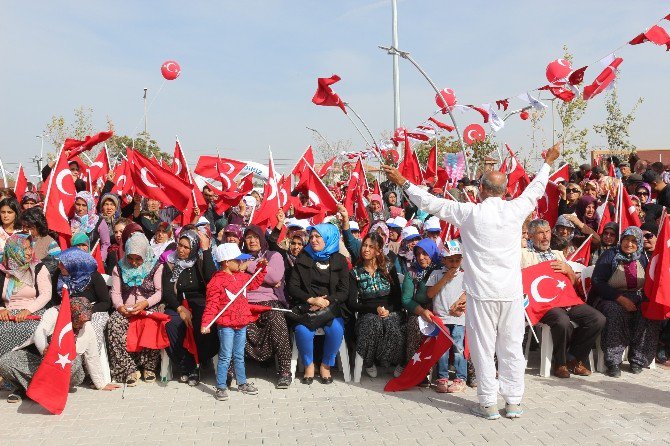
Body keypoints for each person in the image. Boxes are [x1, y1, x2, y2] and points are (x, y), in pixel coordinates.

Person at [382, 141, 561, 420]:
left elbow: (429, 202)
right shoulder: (516, 209)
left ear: (482, 189)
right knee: (511, 348)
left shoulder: (469, 212)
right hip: (510, 295)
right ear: (504, 191)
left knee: (484, 348)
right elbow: (536, 188)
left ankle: (488, 403)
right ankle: (513, 402)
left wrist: (403, 182)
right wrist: (548, 162)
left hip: (481, 296)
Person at [521, 219, 605, 378]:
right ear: (531, 236)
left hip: (565, 299)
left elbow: (572, 283)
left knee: (597, 319)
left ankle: (574, 358)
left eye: (547, 232)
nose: (545, 236)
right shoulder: (524, 254)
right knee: (562, 321)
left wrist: (568, 270)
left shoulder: (558, 254)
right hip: (543, 304)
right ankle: (560, 363)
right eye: (540, 233)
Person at [0, 297, 119, 403]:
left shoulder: (87, 326)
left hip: (66, 370)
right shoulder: (54, 313)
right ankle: (34, 389)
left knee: (74, 360)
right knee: (5, 361)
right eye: (80, 321)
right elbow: (39, 333)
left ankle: (35, 390)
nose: (82, 324)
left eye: (85, 321)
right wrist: (45, 350)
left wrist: (101, 384)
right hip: (43, 362)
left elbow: (92, 356)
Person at [201, 243, 267, 401]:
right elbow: (212, 305)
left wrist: (261, 268)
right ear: (225, 262)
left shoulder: (242, 277)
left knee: (239, 355)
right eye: (237, 260)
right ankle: (221, 386)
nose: (240, 263)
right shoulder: (216, 282)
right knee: (225, 356)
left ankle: (242, 382)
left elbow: (255, 282)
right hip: (226, 325)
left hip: (242, 322)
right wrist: (206, 323)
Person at [591, 227, 660, 377]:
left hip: (636, 296)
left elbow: (648, 282)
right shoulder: (609, 255)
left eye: (634, 241)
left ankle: (638, 359)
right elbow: (598, 282)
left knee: (648, 312)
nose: (629, 244)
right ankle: (613, 361)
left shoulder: (642, 257)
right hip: (610, 297)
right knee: (615, 312)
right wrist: (620, 299)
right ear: (621, 240)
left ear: (640, 243)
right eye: (626, 239)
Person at [287, 223, 349, 385]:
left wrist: (327, 301)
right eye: (312, 237)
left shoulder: (340, 260)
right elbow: (292, 287)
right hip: (308, 306)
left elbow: (344, 291)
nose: (313, 240)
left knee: (336, 329)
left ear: (328, 238)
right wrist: (311, 300)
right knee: (302, 331)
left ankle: (325, 365)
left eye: (317, 237)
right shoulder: (303, 257)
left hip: (331, 307)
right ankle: (309, 366)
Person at [107, 232, 164, 385]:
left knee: (152, 323)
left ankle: (149, 367)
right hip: (127, 308)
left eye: (138, 258)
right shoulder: (119, 267)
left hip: (148, 306)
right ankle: (127, 369)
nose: (133, 262)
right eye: (130, 258)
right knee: (113, 324)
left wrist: (145, 303)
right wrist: (120, 307)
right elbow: (116, 293)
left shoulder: (155, 266)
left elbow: (159, 292)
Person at [162, 229, 217, 386]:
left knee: (202, 321)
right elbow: (168, 290)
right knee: (171, 324)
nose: (181, 249)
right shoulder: (172, 263)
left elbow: (211, 279)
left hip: (199, 301)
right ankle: (187, 365)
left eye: (186, 247)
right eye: (180, 245)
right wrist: (180, 308)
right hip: (178, 302)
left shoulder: (200, 260)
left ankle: (202, 359)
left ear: (193, 248)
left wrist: (206, 251)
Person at [241, 225, 293, 389]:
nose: (252, 240)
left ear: (262, 239)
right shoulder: (239, 257)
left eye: (256, 237)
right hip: (245, 301)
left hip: (269, 301)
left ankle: (285, 371)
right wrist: (263, 271)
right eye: (248, 237)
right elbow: (235, 276)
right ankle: (230, 370)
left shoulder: (274, 255)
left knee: (277, 321)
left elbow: (274, 276)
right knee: (232, 323)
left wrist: (249, 266)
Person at [348, 232, 404, 378]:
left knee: (391, 324)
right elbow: (353, 303)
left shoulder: (388, 268)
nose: (366, 249)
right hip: (367, 312)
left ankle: (394, 361)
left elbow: (397, 298)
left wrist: (388, 311)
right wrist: (374, 309)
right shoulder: (355, 272)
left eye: (371, 247)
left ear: (379, 250)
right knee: (373, 322)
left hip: (391, 310)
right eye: (364, 246)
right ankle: (368, 361)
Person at [0, 234, 52, 356]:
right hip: (8, 314)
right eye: (24, 249)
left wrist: (28, 310)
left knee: (32, 329)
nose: (29, 252)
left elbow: (46, 294)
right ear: (13, 251)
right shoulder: (3, 270)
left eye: (30, 248)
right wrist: (1, 309)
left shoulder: (38, 267)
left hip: (33, 312)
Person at [426, 240, 467, 393]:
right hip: (441, 319)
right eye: (450, 260)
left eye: (457, 260)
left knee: (458, 348)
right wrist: (445, 278)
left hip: (458, 318)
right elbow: (430, 293)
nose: (454, 263)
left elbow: (468, 293)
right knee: (442, 349)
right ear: (443, 259)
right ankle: (442, 377)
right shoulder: (436, 274)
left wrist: (461, 302)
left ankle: (460, 377)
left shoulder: (464, 275)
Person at [53, 247, 111, 350]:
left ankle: (81, 355)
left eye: (63, 264)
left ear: (74, 264)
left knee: (90, 331)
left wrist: (87, 310)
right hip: (67, 310)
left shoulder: (93, 276)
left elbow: (105, 302)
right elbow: (56, 300)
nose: (59, 266)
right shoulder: (59, 276)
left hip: (94, 310)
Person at [400, 238, 439, 384]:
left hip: (440, 312)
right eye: (418, 254)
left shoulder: (442, 270)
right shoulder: (413, 272)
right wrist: (423, 312)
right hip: (419, 312)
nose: (421, 257)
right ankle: (416, 370)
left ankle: (442, 373)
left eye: (425, 253)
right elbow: (406, 299)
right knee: (414, 325)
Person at [70, 191, 110, 261]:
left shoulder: (98, 221)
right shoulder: (71, 221)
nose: (80, 208)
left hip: (93, 261)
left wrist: (100, 260)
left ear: (90, 205)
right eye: (78, 204)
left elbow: (105, 243)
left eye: (84, 205)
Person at [0, 198, 21, 262]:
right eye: (3, 212)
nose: (5, 215)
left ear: (16, 214)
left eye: (9, 212)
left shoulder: (23, 232)